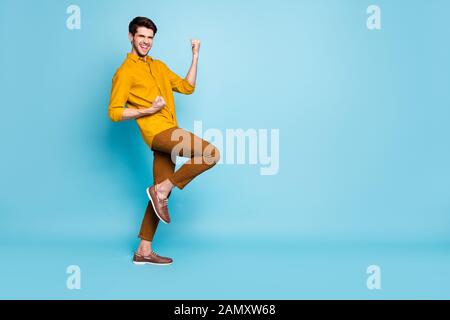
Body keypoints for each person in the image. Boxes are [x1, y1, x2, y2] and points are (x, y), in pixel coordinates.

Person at [107, 17, 220, 266]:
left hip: (169, 130)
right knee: (211, 154)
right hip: (157, 133)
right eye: (141, 37)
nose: (146, 42)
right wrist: (147, 110)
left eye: (150, 38)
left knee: (158, 199)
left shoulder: (158, 66)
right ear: (131, 37)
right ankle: (162, 189)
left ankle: (143, 250)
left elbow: (187, 87)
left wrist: (195, 56)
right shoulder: (125, 72)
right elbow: (114, 112)